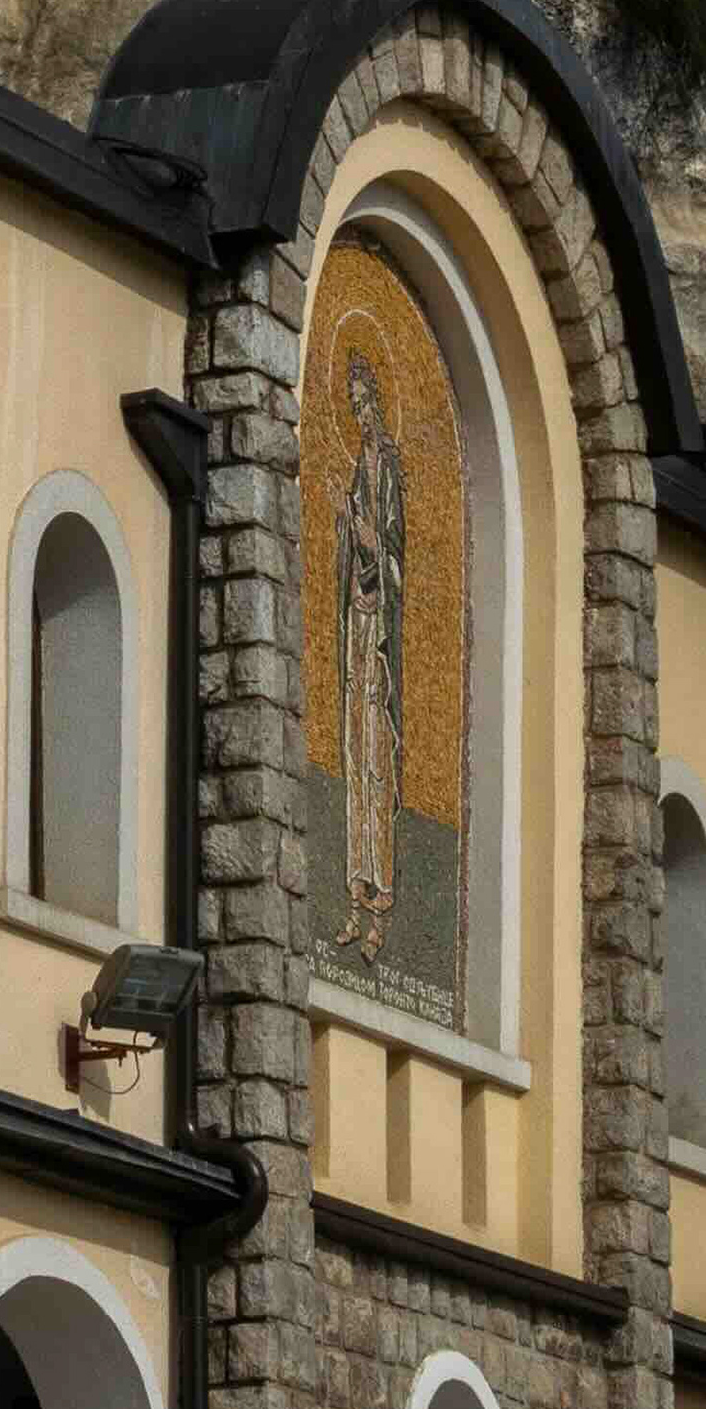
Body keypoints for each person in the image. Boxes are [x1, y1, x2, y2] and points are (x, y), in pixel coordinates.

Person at [333, 340, 407, 964]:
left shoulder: (386, 467)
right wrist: (345, 526)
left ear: (377, 405)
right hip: (356, 624)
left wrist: (364, 537)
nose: (359, 417)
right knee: (355, 757)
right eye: (352, 406)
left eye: (363, 405)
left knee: (377, 759)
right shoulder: (361, 466)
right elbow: (353, 548)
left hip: (378, 633)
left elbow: (392, 558)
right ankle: (355, 899)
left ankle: (382, 907)